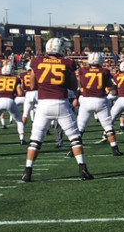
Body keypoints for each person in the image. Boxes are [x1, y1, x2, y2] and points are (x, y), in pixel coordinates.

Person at [20, 38, 91, 182]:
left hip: (43, 104)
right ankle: (82, 169)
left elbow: (32, 86)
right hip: (61, 103)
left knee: (35, 140)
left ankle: (27, 172)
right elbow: (72, 86)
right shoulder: (68, 63)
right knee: (75, 138)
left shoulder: (36, 61)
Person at [75, 53, 123, 155]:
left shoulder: (82, 70)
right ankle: (115, 149)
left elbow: (79, 84)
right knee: (108, 126)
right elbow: (113, 87)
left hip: (86, 100)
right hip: (100, 100)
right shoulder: (104, 71)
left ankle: (72, 150)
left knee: (80, 127)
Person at [0, 62, 26, 145]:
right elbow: (20, 94)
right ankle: (22, 139)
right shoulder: (15, 79)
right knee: (19, 121)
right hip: (10, 101)